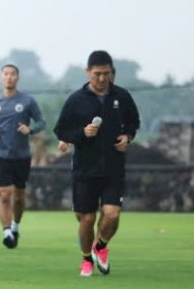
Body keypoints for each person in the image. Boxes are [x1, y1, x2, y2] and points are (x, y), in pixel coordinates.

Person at [54, 51, 139, 277]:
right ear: (88, 72)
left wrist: (127, 137)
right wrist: (82, 133)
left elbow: (133, 122)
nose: (102, 79)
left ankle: (100, 246)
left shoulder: (122, 96)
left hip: (113, 168)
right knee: (87, 218)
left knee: (112, 214)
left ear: (112, 73)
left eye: (106, 74)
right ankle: (86, 260)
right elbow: (61, 130)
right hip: (84, 169)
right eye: (97, 74)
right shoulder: (75, 100)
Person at [0, 64, 45, 249]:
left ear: (17, 78)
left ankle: (15, 226)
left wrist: (31, 129)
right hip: (0, 154)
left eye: (13, 74)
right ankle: (6, 232)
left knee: (19, 197)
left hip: (21, 156)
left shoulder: (27, 101)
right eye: (6, 74)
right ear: (1, 78)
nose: (9, 77)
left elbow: (41, 122)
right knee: (4, 195)